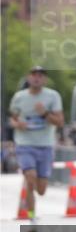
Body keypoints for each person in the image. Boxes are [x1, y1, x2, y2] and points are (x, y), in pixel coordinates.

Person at [8, 65, 64, 220]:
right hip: (24, 143)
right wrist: (17, 124)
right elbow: (12, 118)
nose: (37, 78)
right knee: (30, 176)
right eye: (34, 74)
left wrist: (45, 113)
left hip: (45, 145)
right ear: (28, 77)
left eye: (40, 75)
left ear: (44, 79)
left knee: (41, 189)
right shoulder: (19, 97)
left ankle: (30, 191)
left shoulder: (53, 96)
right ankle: (31, 216)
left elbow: (60, 122)